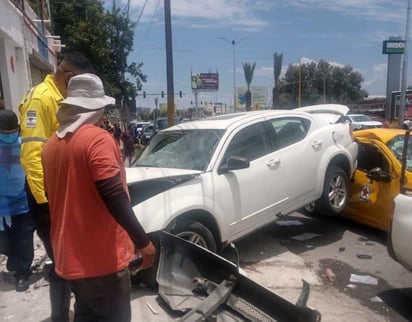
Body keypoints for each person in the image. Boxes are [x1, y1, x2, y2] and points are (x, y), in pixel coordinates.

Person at [41, 73, 156, 322]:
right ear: (95, 108)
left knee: (86, 313)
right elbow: (113, 193)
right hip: (102, 261)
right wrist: (142, 241)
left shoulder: (50, 146)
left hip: (70, 259)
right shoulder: (97, 139)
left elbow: (53, 198)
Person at [19, 52, 94, 321]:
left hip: (58, 194)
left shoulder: (56, 96)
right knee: (62, 262)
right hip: (46, 197)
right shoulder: (42, 98)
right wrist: (46, 204)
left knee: (66, 259)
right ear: (70, 77)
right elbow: (31, 155)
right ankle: (60, 317)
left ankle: (64, 314)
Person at [0, 109, 34, 292]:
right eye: (4, 134)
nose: (9, 137)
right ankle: (14, 262)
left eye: (11, 133)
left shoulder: (24, 144)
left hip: (22, 201)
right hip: (1, 204)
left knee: (23, 239)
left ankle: (23, 273)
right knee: (4, 240)